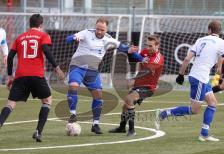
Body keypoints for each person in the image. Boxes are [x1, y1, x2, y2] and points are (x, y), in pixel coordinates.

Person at [156, 20, 224, 142]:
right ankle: (163, 114)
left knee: (212, 103)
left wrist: (180, 74)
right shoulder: (222, 43)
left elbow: (186, 59)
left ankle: (204, 134)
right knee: (195, 109)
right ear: (219, 32)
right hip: (200, 78)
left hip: (200, 77)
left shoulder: (200, 40)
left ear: (209, 30)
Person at [66, 17, 137, 134]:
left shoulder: (109, 39)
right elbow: (68, 39)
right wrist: (74, 37)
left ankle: (95, 124)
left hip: (92, 71)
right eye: (98, 29)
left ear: (106, 29)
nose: (99, 31)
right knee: (73, 86)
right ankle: (73, 114)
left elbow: (123, 47)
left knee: (98, 95)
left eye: (102, 30)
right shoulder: (86, 33)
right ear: (95, 26)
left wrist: (131, 50)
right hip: (77, 67)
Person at [0, 14, 65, 142]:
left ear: (30, 24)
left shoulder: (19, 37)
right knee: (47, 100)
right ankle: (38, 131)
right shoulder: (43, 36)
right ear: (41, 25)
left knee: (10, 104)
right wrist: (57, 68)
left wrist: (9, 76)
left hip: (20, 75)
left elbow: (11, 57)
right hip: (37, 75)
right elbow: (46, 50)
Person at [109, 35, 164, 136]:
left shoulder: (158, 58)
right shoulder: (145, 52)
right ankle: (122, 128)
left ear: (157, 46)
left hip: (148, 87)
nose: (148, 48)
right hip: (139, 84)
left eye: (151, 46)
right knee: (125, 106)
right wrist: (130, 53)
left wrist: (132, 80)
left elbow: (147, 70)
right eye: (147, 45)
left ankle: (132, 130)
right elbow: (134, 60)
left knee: (129, 99)